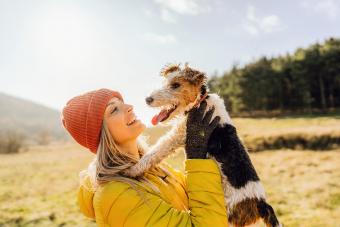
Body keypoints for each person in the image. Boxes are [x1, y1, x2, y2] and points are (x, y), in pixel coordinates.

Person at [61, 88, 227, 227]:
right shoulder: (115, 196)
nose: (130, 107)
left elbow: (202, 197)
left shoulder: (152, 168)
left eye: (122, 102)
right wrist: (197, 158)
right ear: (101, 133)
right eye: (114, 109)